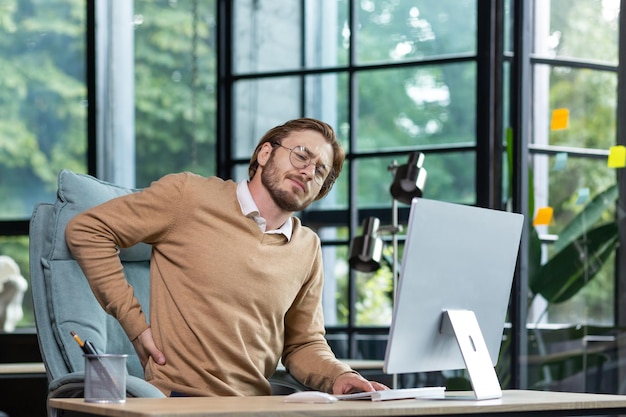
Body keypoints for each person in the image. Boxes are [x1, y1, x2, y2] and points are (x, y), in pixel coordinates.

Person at [66, 117, 388, 397]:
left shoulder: (308, 247)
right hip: (185, 400)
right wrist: (136, 325)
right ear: (265, 153)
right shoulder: (187, 196)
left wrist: (341, 376)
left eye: (320, 171)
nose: (307, 171)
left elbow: (302, 343)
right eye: (301, 155)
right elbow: (88, 230)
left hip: (258, 405)